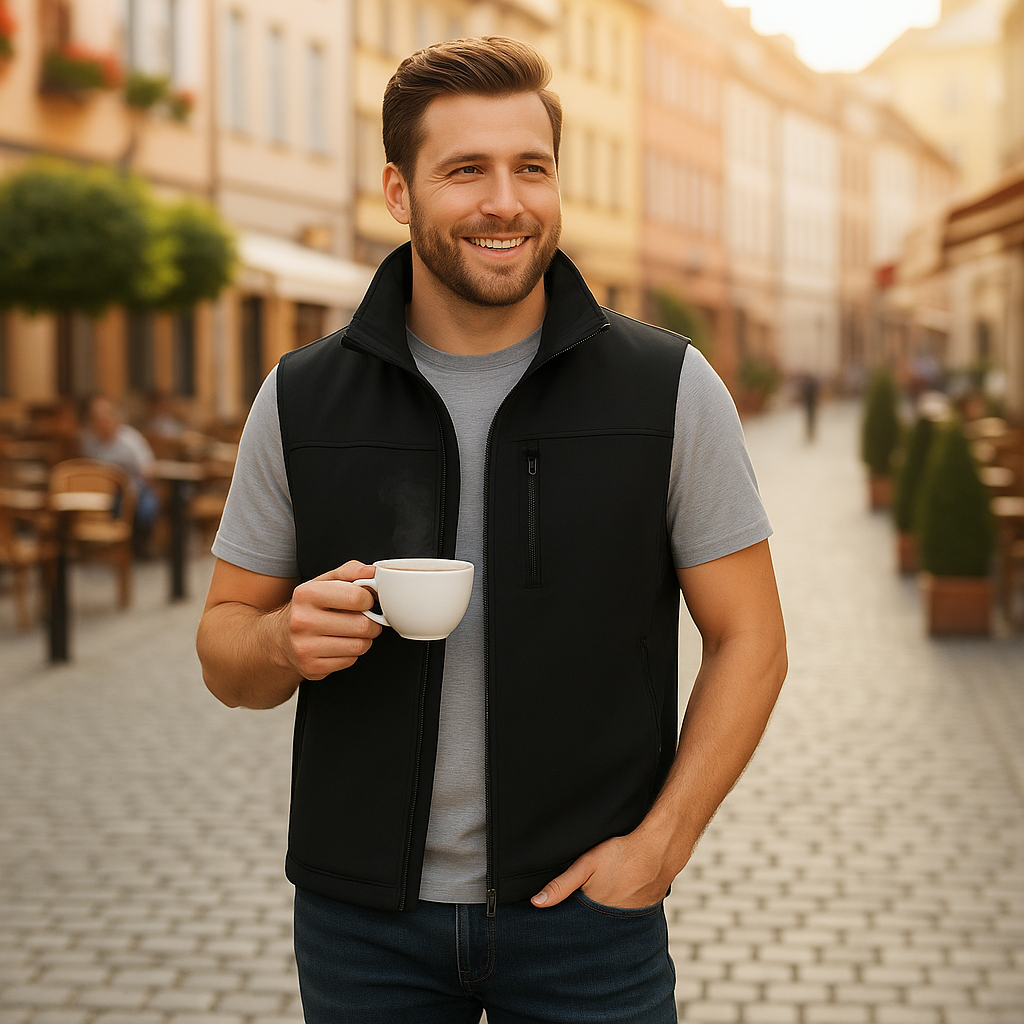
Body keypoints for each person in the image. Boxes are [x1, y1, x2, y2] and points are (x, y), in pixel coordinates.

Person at [197, 36, 787, 1024]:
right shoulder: (304, 396)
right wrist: (278, 640)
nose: (504, 201)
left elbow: (751, 639)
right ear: (398, 191)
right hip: (361, 925)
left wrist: (659, 848)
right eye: (465, 169)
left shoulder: (667, 387)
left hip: (587, 923)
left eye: (531, 168)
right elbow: (224, 653)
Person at [80, 394, 160, 552]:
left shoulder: (131, 439)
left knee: (147, 508)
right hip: (102, 492)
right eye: (97, 419)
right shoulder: (88, 441)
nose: (102, 423)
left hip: (132, 490)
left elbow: (148, 467)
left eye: (106, 418)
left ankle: (139, 547)